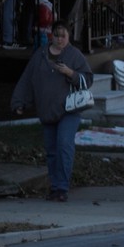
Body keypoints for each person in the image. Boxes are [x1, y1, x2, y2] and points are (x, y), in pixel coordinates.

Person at [11, 20, 94, 201]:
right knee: (51, 150)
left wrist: (70, 73)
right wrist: (19, 102)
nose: (59, 39)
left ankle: (62, 188)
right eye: (56, 35)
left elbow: (87, 79)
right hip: (47, 110)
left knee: (64, 144)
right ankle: (55, 187)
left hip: (68, 111)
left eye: (63, 36)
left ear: (68, 37)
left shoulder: (74, 55)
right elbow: (28, 79)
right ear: (52, 35)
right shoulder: (40, 55)